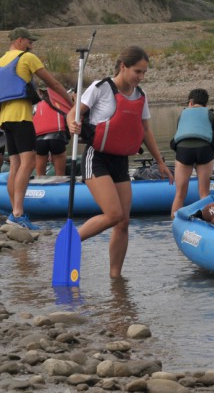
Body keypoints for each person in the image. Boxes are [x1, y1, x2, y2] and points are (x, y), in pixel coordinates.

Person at [67, 46, 173, 278]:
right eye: (138, 71)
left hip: (120, 161)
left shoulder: (140, 95)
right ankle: (68, 241)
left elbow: (146, 130)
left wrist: (160, 162)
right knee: (113, 214)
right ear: (123, 66)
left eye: (144, 72)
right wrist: (70, 124)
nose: (141, 77)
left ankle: (116, 277)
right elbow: (74, 113)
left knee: (123, 222)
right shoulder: (100, 87)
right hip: (97, 158)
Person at [0, 27, 73, 229]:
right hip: (22, 117)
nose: (32, 45)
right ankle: (18, 213)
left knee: (15, 164)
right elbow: (54, 84)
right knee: (28, 163)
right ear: (20, 40)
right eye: (30, 41)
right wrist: (72, 105)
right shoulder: (27, 58)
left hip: (4, 119)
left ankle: (13, 214)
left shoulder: (1, 60)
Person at [169, 88, 214, 217]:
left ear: (190, 102)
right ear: (206, 103)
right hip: (204, 150)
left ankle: (174, 222)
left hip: (183, 151)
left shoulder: (182, 115)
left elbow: (180, 137)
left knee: (180, 194)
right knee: (204, 193)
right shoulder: (211, 115)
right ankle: (207, 222)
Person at [32, 87, 73, 176]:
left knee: (40, 175)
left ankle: (40, 187)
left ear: (41, 94)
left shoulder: (35, 106)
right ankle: (60, 186)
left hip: (40, 141)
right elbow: (69, 124)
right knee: (60, 175)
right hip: (58, 138)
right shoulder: (60, 105)